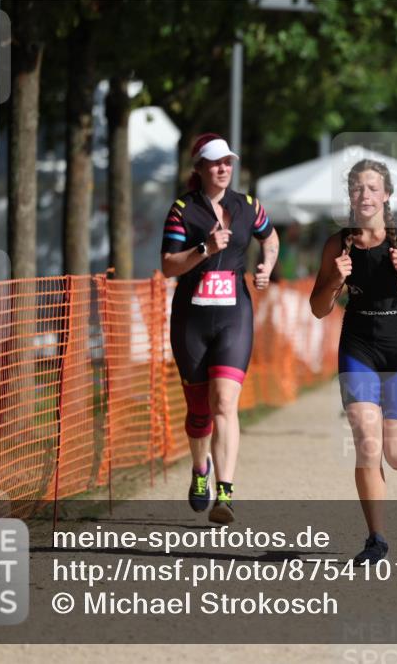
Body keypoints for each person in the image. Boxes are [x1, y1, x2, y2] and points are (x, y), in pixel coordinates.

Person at [309, 158, 397, 565]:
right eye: (356, 188)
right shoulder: (339, 244)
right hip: (357, 345)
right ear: (349, 196)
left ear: (386, 195)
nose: (364, 195)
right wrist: (335, 279)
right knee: (367, 440)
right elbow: (318, 308)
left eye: (372, 188)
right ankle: (376, 539)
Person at [161, 133, 279, 524]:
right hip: (191, 319)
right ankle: (200, 470)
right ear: (199, 168)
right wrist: (203, 250)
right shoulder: (182, 209)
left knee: (225, 402)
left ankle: (225, 492)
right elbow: (168, 266)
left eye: (228, 161)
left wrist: (266, 266)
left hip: (234, 316)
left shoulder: (248, 206)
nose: (223, 168)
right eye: (214, 162)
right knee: (199, 412)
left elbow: (271, 238)